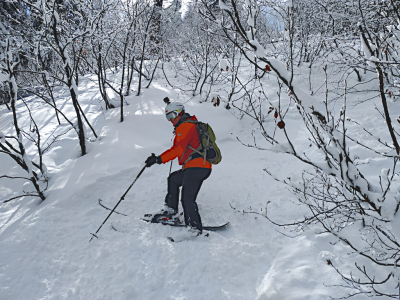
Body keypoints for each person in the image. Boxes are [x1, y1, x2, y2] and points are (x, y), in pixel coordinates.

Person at [145, 98, 212, 235]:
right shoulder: (189, 125)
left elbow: (177, 150)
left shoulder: (185, 126)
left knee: (187, 198)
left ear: (180, 113)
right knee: (174, 179)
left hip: (196, 167)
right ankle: (170, 209)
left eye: (172, 116)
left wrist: (158, 159)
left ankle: (194, 229)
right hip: (197, 166)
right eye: (168, 117)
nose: (171, 120)